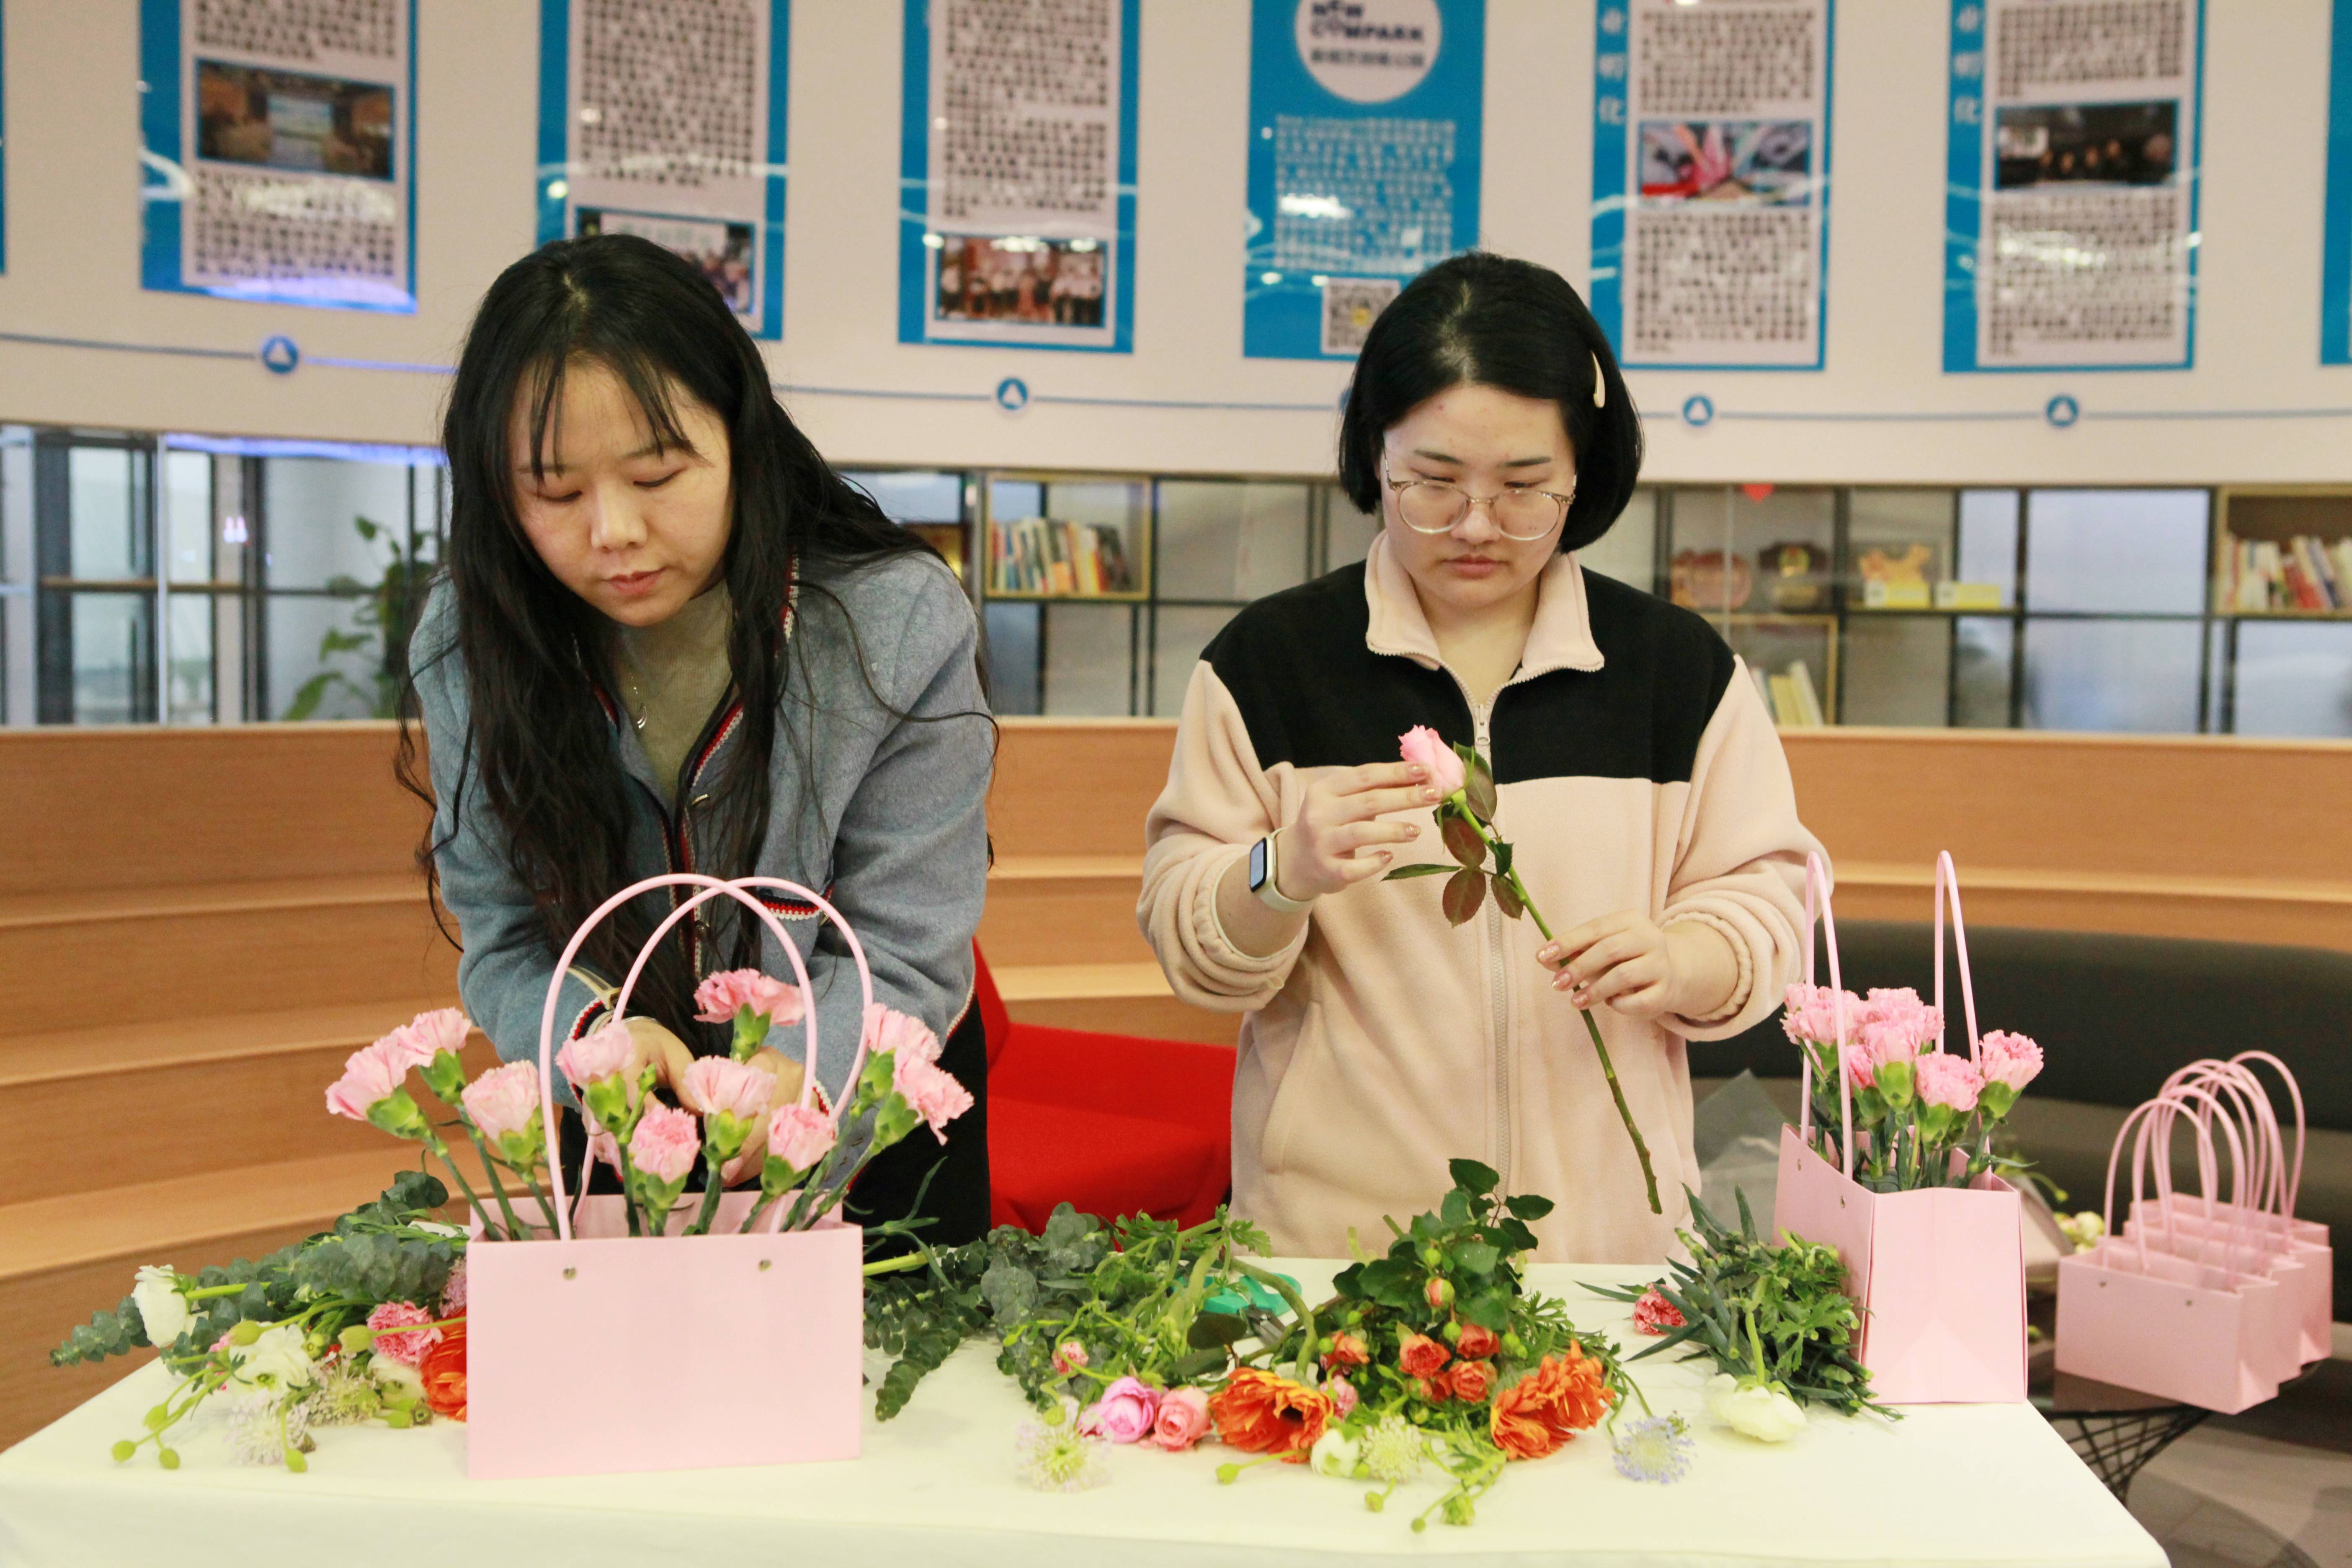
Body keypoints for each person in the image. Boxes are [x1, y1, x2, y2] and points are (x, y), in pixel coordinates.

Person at [1139, 251, 1820, 1264]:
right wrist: (1279, 871)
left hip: (1607, 1254)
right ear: (1376, 457)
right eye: (1433, 485)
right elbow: (1188, 937)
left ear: (1583, 471)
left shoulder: (1677, 673)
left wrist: (1683, 958)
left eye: (1523, 489)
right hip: (1341, 1257)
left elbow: (1767, 901)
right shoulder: (1270, 663)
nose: (1474, 527)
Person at [406, 234, 995, 1243]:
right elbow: (503, 935)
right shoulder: (474, 642)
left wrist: (801, 1072)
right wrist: (596, 1046)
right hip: (618, 1117)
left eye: (659, 473)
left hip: (863, 1108)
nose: (614, 532)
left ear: (743, 437)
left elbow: (911, 942)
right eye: (553, 493)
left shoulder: (895, 623)